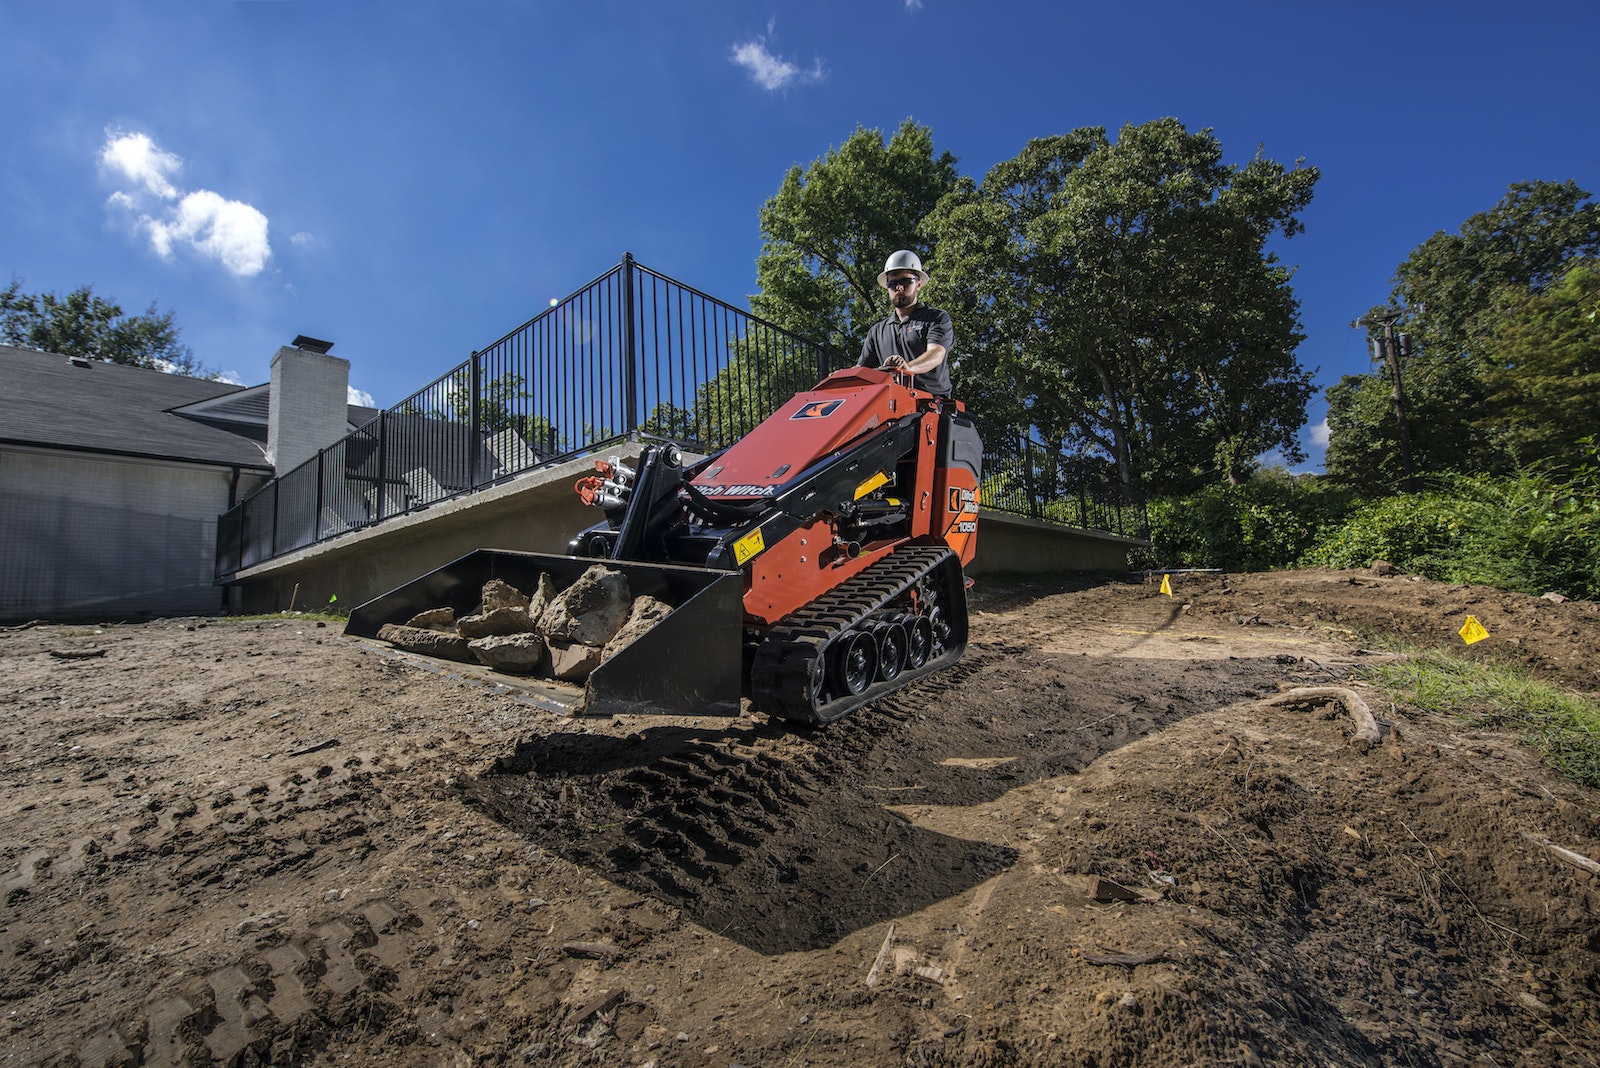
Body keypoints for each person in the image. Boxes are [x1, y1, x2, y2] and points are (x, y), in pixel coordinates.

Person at [857, 250, 954, 398]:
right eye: (893, 283)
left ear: (919, 284)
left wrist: (908, 368)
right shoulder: (877, 331)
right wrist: (842, 378)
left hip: (931, 404)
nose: (899, 288)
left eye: (905, 281)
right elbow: (862, 371)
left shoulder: (936, 318)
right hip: (891, 403)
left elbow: (936, 353)